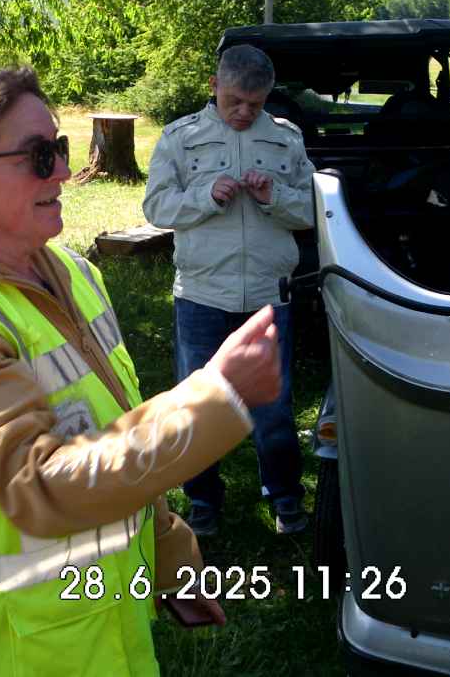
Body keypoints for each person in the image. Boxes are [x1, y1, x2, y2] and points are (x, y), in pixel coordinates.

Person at [0, 66, 283, 676]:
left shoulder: (68, 272)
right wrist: (218, 398)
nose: (65, 172)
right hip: (2, 652)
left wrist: (169, 554)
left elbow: (112, 427)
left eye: (61, 148)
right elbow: (39, 485)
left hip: (91, 636)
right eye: (38, 156)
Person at [143, 44, 316, 537]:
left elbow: (310, 211)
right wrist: (205, 194)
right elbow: (156, 206)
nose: (244, 113)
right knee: (198, 404)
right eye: (234, 101)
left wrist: (273, 196)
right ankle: (202, 501)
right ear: (214, 86)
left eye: (255, 105)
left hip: (267, 294)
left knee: (274, 407)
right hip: (200, 293)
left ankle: (285, 497)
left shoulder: (287, 139)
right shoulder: (181, 137)